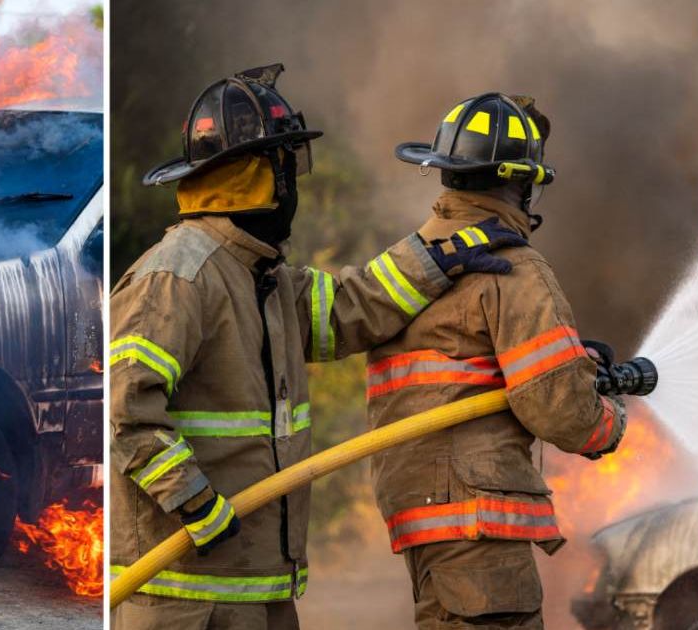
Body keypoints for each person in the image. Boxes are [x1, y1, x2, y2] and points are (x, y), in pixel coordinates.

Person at [109, 66, 526, 630]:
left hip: (258, 588)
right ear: (261, 176)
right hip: (185, 597)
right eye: (288, 166)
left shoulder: (263, 277)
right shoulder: (180, 277)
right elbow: (124, 411)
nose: (294, 184)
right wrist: (195, 502)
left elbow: (348, 310)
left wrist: (436, 258)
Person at [369, 93, 628, 629]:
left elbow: (469, 363)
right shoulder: (514, 268)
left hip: (426, 516)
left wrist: (573, 359)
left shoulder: (412, 261)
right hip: (478, 520)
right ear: (520, 181)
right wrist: (610, 421)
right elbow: (559, 408)